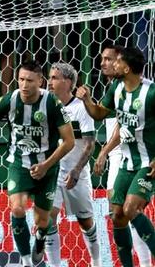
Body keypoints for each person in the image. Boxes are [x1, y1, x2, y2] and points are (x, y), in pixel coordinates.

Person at [0, 61, 75, 267]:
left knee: (42, 221)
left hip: (47, 168)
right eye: (21, 79)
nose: (24, 85)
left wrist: (46, 165)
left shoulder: (52, 103)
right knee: (17, 209)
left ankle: (40, 240)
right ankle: (26, 261)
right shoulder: (10, 100)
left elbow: (69, 141)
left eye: (30, 81)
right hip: (19, 164)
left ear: (40, 81)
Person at [79, 46, 155, 267]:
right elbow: (100, 113)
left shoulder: (150, 93)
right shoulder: (117, 89)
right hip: (126, 162)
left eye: (117, 61)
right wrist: (87, 101)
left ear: (127, 67)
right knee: (117, 216)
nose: (112, 64)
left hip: (147, 163)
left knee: (131, 209)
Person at [44, 62, 101, 267]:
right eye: (49, 77)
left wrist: (76, 170)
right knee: (48, 219)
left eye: (55, 78)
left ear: (68, 82)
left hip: (76, 173)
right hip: (52, 173)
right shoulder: (46, 105)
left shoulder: (81, 109)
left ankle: (97, 261)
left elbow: (90, 144)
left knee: (85, 222)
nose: (50, 82)